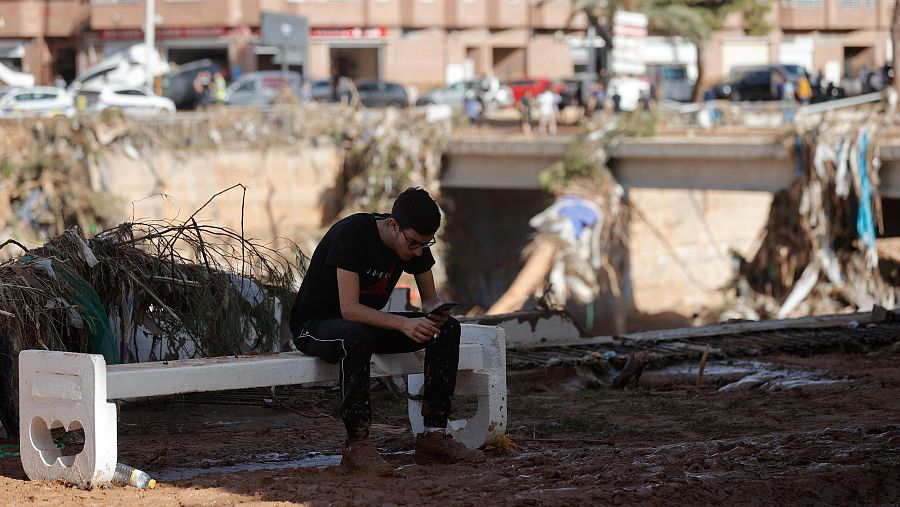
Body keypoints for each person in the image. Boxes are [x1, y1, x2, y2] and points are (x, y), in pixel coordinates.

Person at [288, 187, 486, 475]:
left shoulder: (414, 243)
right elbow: (349, 310)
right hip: (316, 325)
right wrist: (404, 323)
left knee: (446, 330)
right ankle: (357, 446)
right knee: (356, 335)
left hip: (363, 325)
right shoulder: (351, 234)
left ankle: (433, 435)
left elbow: (429, 299)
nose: (417, 252)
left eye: (425, 244)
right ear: (394, 225)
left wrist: (436, 310)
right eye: (413, 243)